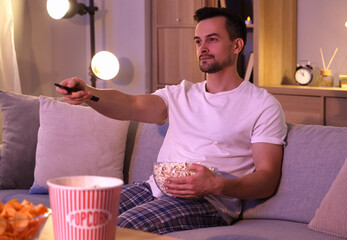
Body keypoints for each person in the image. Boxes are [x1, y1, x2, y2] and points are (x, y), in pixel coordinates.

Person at [56, 7, 287, 234]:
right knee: (75, 214)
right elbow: (131, 105)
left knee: (118, 229)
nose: (202, 48)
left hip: (209, 202)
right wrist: (88, 93)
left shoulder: (262, 105)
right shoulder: (180, 94)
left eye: (212, 39)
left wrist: (217, 184)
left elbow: (267, 179)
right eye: (198, 41)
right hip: (153, 188)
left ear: (237, 45)